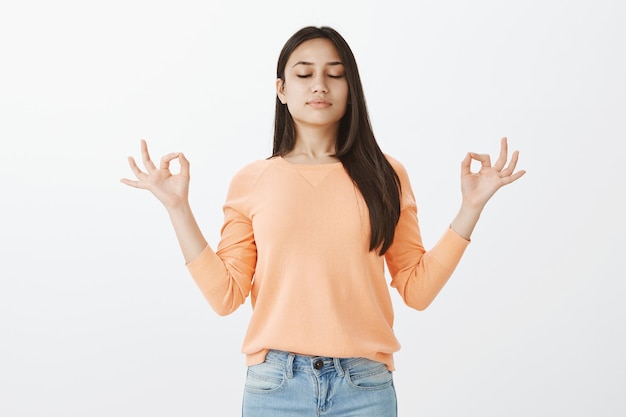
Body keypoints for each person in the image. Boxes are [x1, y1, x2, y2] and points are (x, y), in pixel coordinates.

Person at [121, 26, 525, 417]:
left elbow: (417, 289)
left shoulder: (387, 174)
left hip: (365, 386)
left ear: (351, 90)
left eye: (335, 74)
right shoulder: (252, 180)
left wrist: (470, 207)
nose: (320, 85)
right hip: (275, 388)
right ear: (281, 89)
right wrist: (177, 207)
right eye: (304, 74)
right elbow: (226, 295)